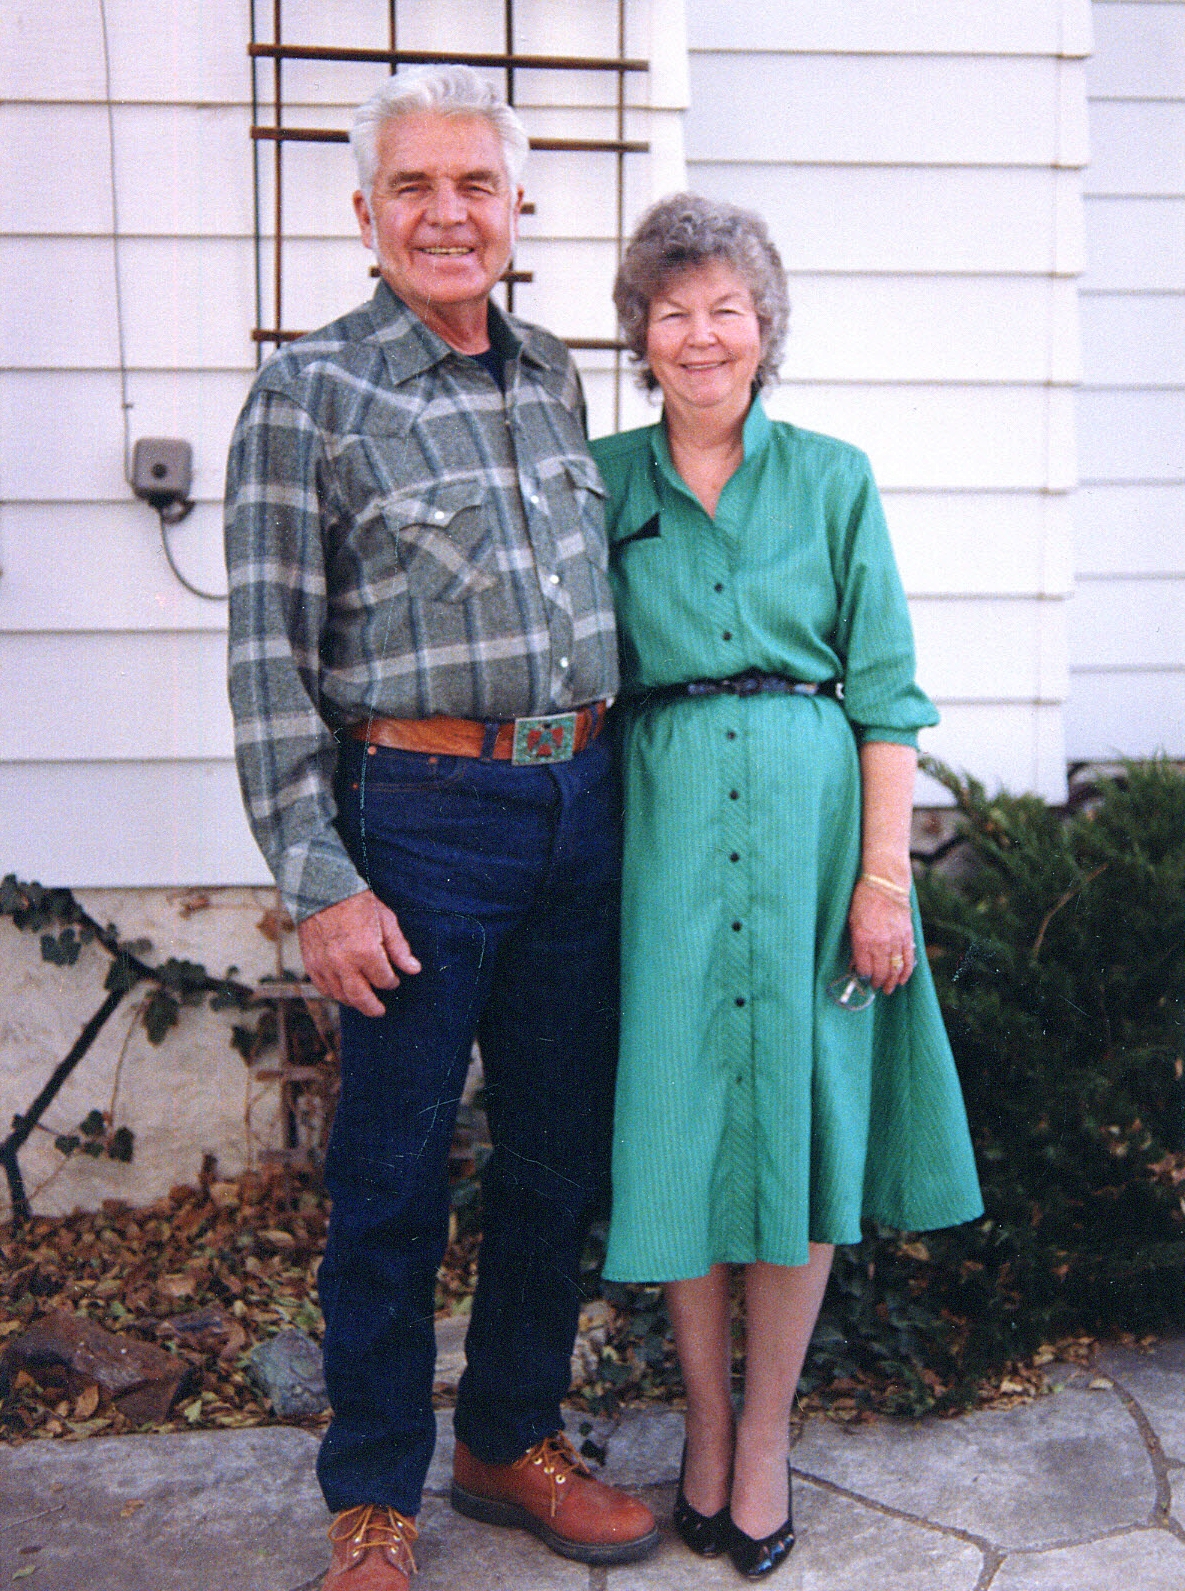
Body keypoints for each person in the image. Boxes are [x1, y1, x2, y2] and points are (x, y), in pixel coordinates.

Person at [224, 66, 658, 1590]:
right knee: (393, 1176)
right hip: (417, 820)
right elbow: (266, 657)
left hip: (580, 803)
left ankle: (506, 1440)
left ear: (516, 205)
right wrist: (318, 881)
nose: (446, 213)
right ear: (365, 214)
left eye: (474, 183)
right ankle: (371, 1498)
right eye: (412, 187)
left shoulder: (551, 376)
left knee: (555, 1154)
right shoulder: (308, 394)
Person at [589, 194, 983, 1580]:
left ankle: (764, 1439)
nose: (701, 335)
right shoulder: (601, 482)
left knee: (801, 1127)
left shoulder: (833, 479)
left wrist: (885, 881)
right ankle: (702, 1427)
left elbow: (886, 696)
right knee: (682, 1130)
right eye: (673, 311)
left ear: (764, 329)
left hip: (815, 844)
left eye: (726, 309)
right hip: (661, 851)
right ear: (641, 333)